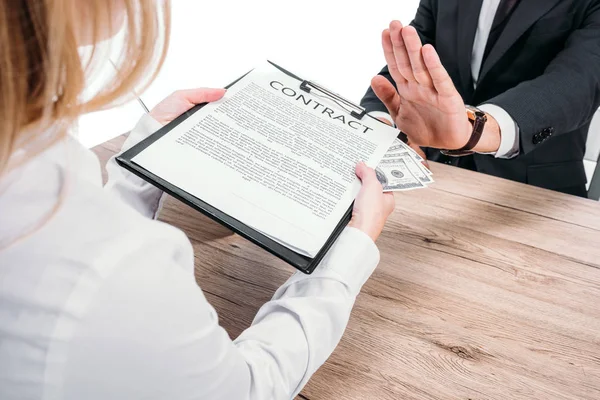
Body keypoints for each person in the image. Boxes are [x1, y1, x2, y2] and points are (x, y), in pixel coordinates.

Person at [0, 1, 395, 399]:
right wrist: (349, 253)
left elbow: (78, 235)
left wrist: (146, 158)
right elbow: (247, 390)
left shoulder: (30, 172)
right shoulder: (109, 267)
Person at [361, 0, 600, 197]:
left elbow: (578, 81)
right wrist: (379, 128)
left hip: (536, 194)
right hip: (436, 176)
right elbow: (414, 56)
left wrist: (474, 129)